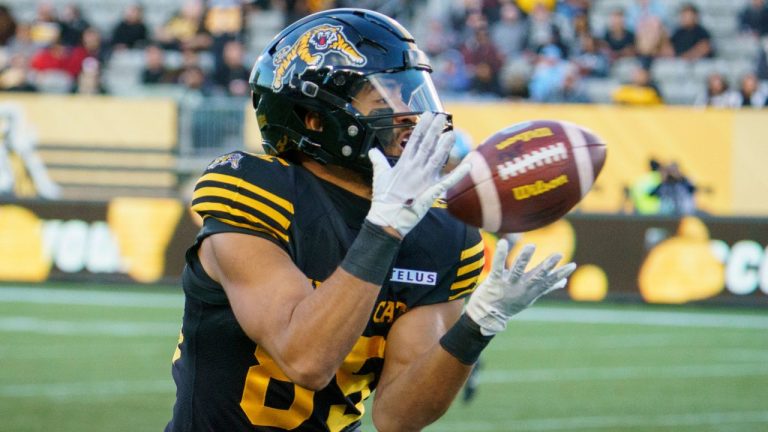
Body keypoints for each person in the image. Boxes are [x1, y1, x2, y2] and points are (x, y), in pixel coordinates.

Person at [165, 8, 575, 432]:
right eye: (385, 98)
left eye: (412, 92)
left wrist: (479, 322)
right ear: (315, 118)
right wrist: (383, 229)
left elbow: (398, 416)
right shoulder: (254, 190)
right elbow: (305, 360)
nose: (410, 113)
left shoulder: (443, 231)